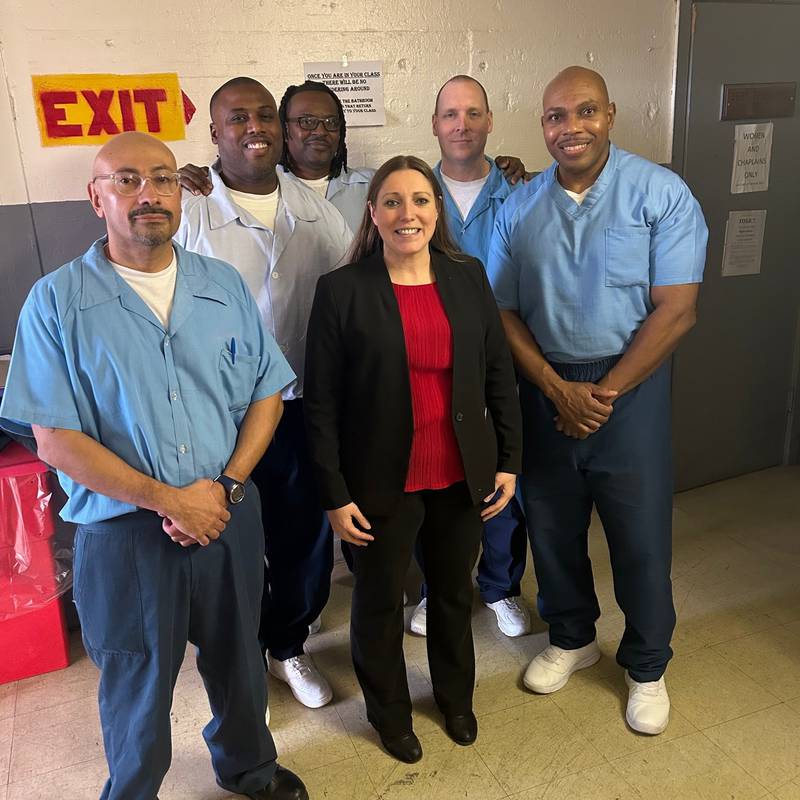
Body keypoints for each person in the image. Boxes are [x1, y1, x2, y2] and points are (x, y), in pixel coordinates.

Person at [0, 131, 307, 800]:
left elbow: (265, 393)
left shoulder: (221, 285)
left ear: (179, 191)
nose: (148, 195)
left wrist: (223, 488)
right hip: (125, 534)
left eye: (163, 179)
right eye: (127, 180)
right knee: (137, 676)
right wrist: (169, 501)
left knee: (239, 660)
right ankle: (134, 789)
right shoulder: (55, 303)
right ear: (95, 198)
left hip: (227, 515)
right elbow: (54, 439)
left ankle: (249, 768)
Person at [488, 66, 707, 735]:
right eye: (555, 116)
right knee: (552, 527)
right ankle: (573, 637)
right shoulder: (518, 207)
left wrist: (602, 393)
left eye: (584, 112)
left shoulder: (659, 193)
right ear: (543, 126)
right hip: (546, 387)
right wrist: (557, 389)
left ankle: (647, 665)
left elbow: (677, 311)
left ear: (609, 113)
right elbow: (500, 314)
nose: (569, 128)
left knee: (640, 536)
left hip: (630, 390)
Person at [304, 155, 522, 763]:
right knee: (378, 603)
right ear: (373, 214)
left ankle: (455, 698)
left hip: (460, 474)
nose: (409, 213)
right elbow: (319, 403)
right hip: (380, 481)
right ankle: (390, 714)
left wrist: (508, 459)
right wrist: (334, 493)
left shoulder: (467, 276)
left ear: (437, 211)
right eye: (393, 201)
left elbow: (497, 374)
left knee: (453, 593)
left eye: (421, 200)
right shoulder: (342, 290)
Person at [174, 77, 351, 711]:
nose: (254, 127)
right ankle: (236, 654)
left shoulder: (314, 207)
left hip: (301, 406)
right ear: (215, 133)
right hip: (219, 415)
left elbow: (343, 305)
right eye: (237, 117)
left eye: (265, 116)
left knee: (303, 534)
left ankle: (287, 645)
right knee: (228, 541)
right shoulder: (189, 210)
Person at [408, 74, 531, 639]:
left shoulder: (521, 190)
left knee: (505, 479)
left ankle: (501, 587)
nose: (461, 124)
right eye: (450, 113)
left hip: (501, 363)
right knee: (441, 484)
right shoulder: (411, 192)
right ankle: (440, 588)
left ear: (488, 122)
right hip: (431, 368)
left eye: (473, 113)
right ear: (435, 124)